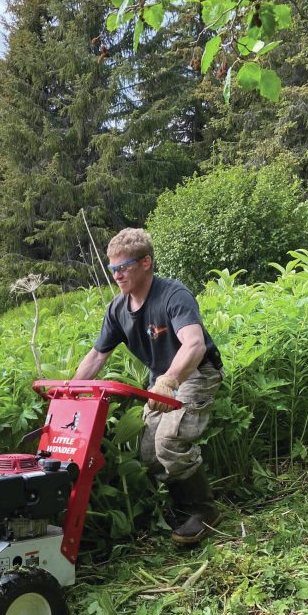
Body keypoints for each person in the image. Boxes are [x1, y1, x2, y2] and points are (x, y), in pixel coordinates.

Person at [74, 227, 223, 546]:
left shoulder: (173, 295)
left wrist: (171, 379)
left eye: (123, 266)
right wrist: (70, 391)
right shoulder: (117, 310)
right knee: (148, 452)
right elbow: (97, 355)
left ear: (146, 263)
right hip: (161, 381)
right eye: (112, 268)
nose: (117, 275)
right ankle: (183, 507)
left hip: (195, 372)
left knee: (169, 440)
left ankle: (204, 511)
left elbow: (194, 345)